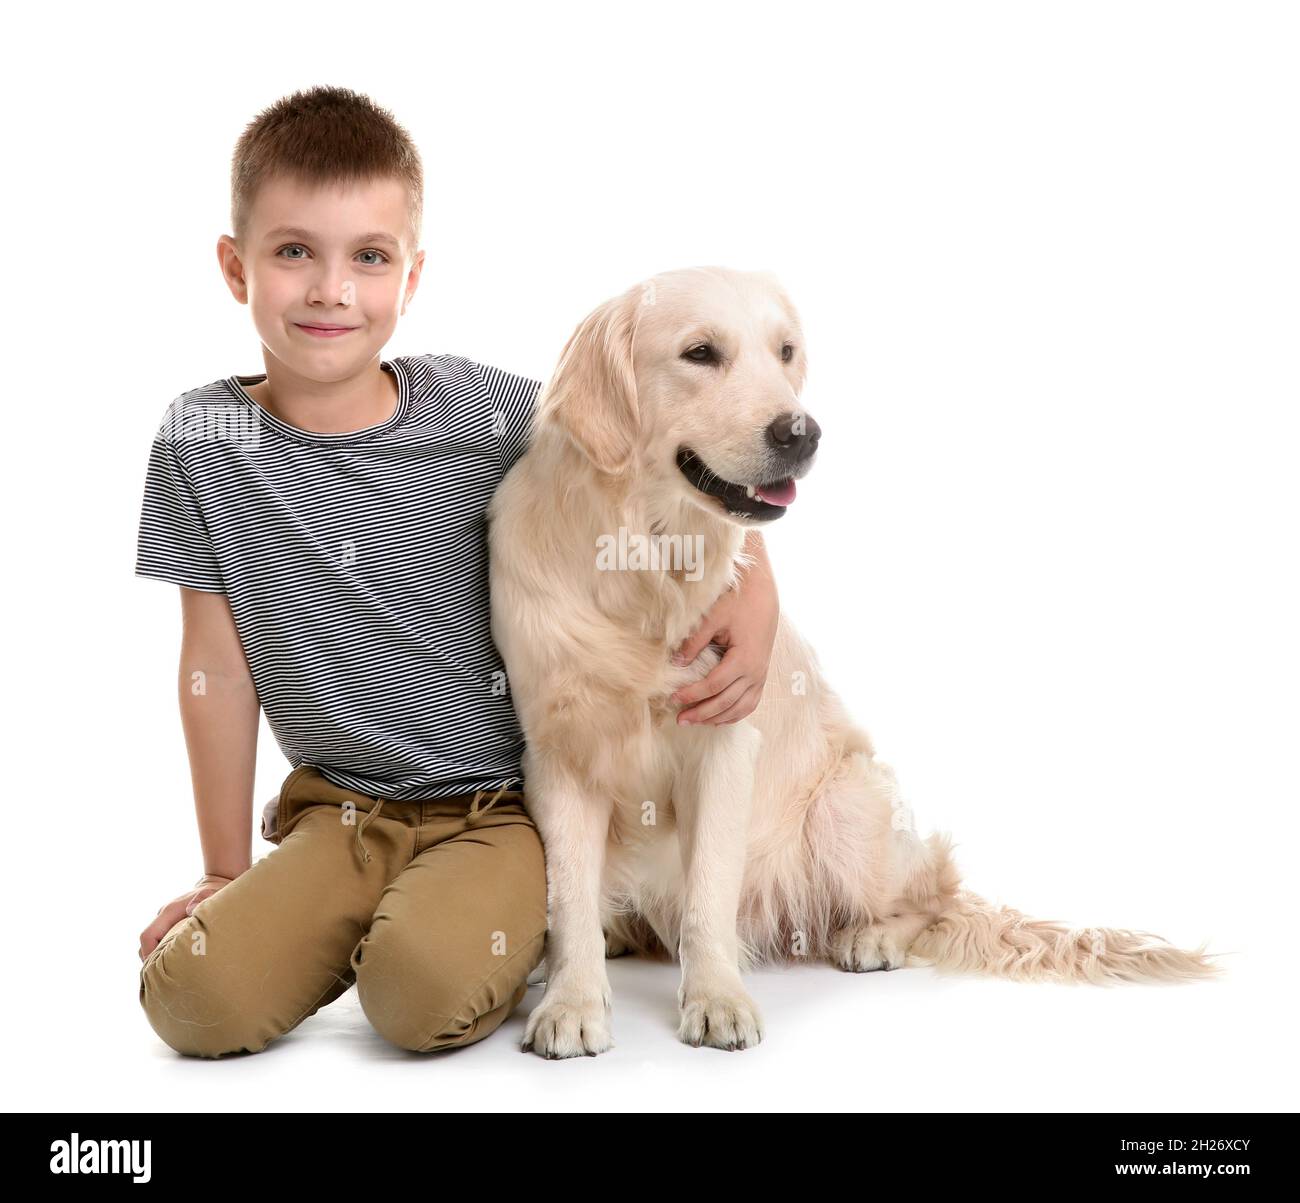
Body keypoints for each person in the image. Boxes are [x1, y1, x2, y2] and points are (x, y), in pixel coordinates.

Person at [135, 84, 781, 1058]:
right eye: (293, 251)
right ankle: (343, 913)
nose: (330, 290)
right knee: (193, 1001)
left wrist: (755, 585)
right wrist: (225, 873)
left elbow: (659, 447)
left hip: (496, 806)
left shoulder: (481, 410)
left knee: (416, 998)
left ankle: (462, 922)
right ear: (237, 266)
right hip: (336, 809)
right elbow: (215, 669)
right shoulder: (202, 438)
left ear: (412, 274)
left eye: (369, 257)